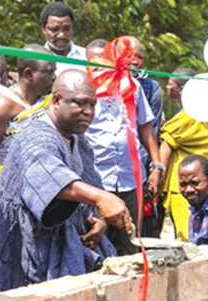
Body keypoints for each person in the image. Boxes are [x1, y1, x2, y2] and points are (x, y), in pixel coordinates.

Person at [0, 70, 131, 294]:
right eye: (80, 103)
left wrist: (100, 220)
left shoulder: (79, 141)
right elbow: (50, 175)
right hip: (19, 248)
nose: (88, 112)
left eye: (92, 105)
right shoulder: (36, 136)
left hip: (63, 242)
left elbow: (91, 184)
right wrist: (102, 198)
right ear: (56, 101)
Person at [85, 36, 164, 255]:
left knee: (132, 244)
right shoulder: (86, 88)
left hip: (130, 179)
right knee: (95, 242)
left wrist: (157, 166)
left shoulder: (133, 86)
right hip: (96, 179)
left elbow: (146, 128)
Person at [160, 68, 208, 241]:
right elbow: (167, 141)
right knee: (190, 245)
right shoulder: (195, 112)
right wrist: (158, 173)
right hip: (189, 190)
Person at [0, 44, 56, 181]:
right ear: (29, 74)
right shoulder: (2, 106)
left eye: (54, 71)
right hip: (4, 191)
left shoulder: (52, 100)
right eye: (49, 72)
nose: (54, 77)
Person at [40, 2, 86, 74]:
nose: (61, 35)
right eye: (54, 29)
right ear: (43, 29)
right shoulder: (37, 60)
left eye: (66, 29)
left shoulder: (87, 57)